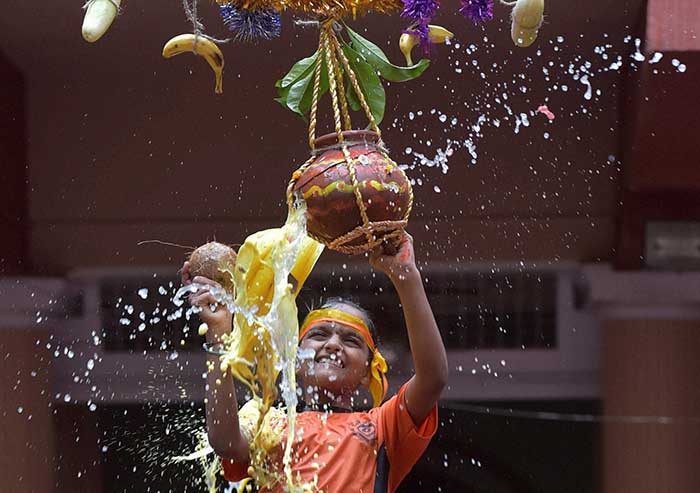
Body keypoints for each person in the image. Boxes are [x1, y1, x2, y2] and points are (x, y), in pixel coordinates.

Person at [181, 232, 448, 492]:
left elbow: (433, 378)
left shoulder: (382, 427)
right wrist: (218, 333)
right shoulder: (266, 420)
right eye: (319, 335)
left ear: (369, 371)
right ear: (294, 358)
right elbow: (226, 442)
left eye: (351, 340)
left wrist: (406, 277)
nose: (332, 345)